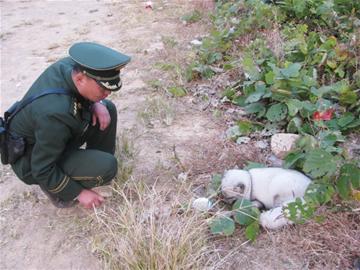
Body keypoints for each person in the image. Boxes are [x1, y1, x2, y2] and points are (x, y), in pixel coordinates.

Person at [7, 42, 131, 209]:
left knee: (107, 108)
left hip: (50, 138)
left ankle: (91, 168)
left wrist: (97, 102)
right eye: (102, 89)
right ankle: (59, 190)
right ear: (80, 79)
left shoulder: (71, 67)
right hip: (32, 159)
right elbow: (41, 168)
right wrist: (78, 193)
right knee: (108, 166)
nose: (107, 92)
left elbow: (76, 96)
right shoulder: (55, 113)